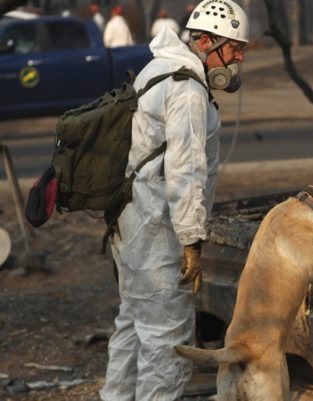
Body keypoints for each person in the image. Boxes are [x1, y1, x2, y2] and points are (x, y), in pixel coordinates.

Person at [98, 0, 248, 400]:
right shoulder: (186, 89)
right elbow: (186, 171)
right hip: (155, 229)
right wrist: (191, 240)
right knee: (168, 341)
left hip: (130, 221)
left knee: (133, 323)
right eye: (234, 48)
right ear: (205, 41)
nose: (239, 58)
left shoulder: (161, 67)